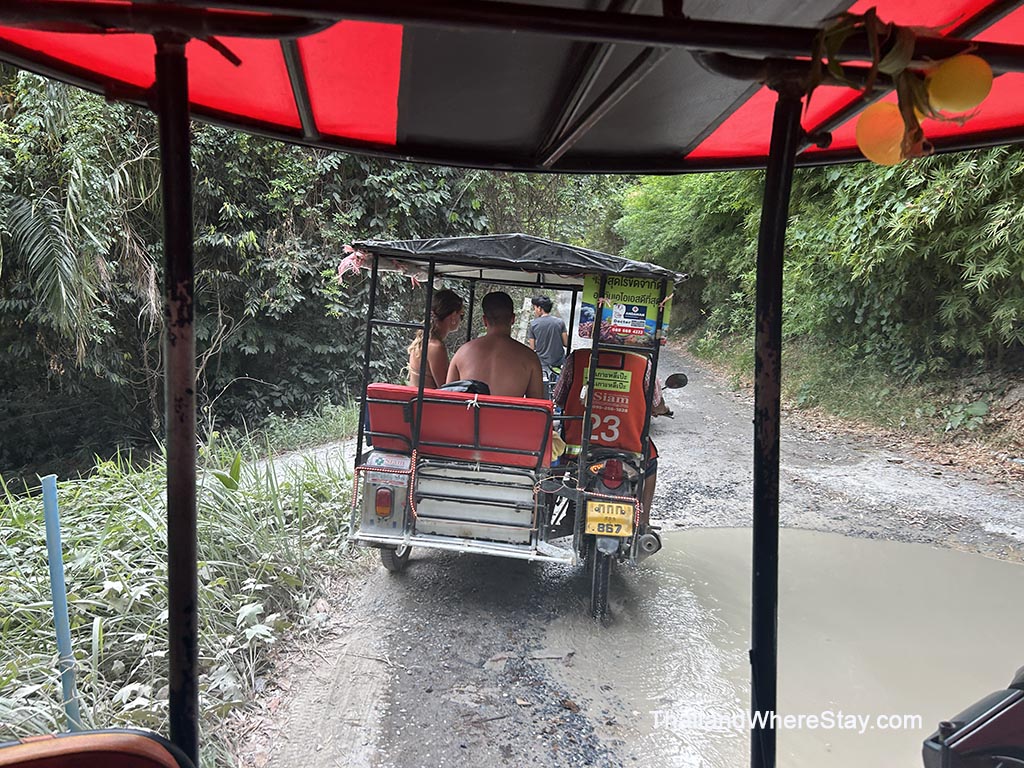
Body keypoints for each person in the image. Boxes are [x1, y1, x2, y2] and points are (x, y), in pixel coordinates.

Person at [552, 348, 666, 528]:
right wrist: (662, 410)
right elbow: (656, 404)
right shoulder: (643, 364)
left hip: (576, 447)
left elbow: (558, 399)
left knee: (553, 459)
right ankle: (643, 521)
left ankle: (547, 510)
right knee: (650, 463)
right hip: (629, 448)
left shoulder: (577, 358)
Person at [446, 291, 544, 399]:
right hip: (509, 416)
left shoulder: (461, 353)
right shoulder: (530, 358)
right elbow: (538, 408)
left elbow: (447, 399)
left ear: (484, 320)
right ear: (513, 319)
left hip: (468, 415)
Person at [407, 288, 464, 389]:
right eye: (461, 315)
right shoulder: (436, 347)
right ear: (454, 316)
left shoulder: (424, 340)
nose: (461, 320)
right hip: (428, 403)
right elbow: (446, 388)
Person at [527, 296, 568, 378]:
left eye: (534, 307)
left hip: (541, 362)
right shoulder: (560, 322)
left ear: (539, 308)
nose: (534, 310)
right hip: (558, 362)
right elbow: (566, 343)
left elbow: (532, 348)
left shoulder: (533, 324)